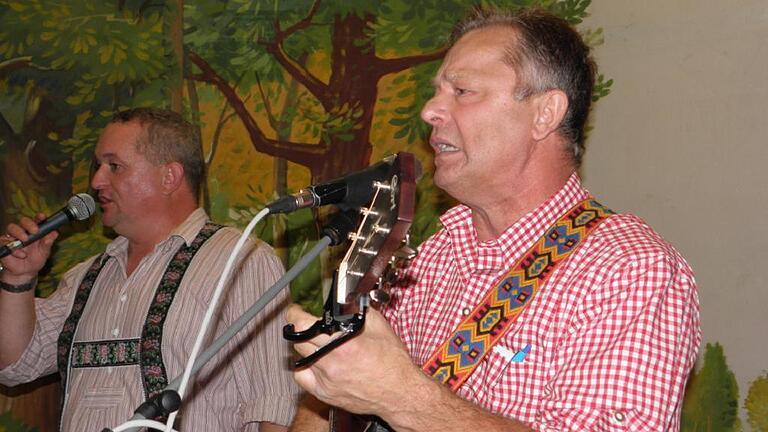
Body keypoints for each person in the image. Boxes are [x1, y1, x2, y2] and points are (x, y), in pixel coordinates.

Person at [286, 8, 701, 432]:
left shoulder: (631, 271)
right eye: (437, 92)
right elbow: (333, 400)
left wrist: (401, 396)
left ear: (545, 114)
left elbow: (393, 392)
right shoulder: (431, 255)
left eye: (462, 90)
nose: (430, 110)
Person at [0, 108, 299, 431]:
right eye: (97, 166)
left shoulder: (241, 260)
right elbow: (16, 364)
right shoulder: (85, 277)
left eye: (114, 166)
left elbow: (275, 403)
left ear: (169, 176)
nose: (96, 181)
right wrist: (19, 279)